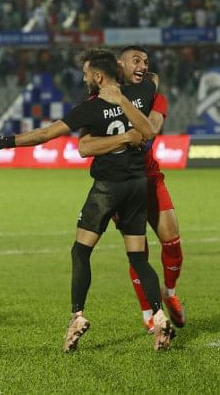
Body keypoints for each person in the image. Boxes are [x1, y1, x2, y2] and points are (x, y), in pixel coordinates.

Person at [0, 48, 176, 352]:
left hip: (107, 188)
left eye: (87, 73)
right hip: (137, 186)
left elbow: (47, 134)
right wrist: (124, 98)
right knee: (139, 258)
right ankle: (159, 316)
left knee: (81, 251)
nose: (84, 78)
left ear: (98, 77)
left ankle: (77, 316)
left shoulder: (90, 108)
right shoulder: (140, 93)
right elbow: (151, 92)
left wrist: (4, 141)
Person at [76, 45, 185, 333]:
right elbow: (84, 144)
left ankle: (169, 293)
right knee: (139, 252)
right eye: (136, 60)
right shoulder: (98, 101)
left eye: (146, 61)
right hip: (120, 183)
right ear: (119, 65)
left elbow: (153, 127)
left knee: (172, 243)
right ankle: (148, 313)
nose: (143, 66)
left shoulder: (154, 96)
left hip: (151, 179)